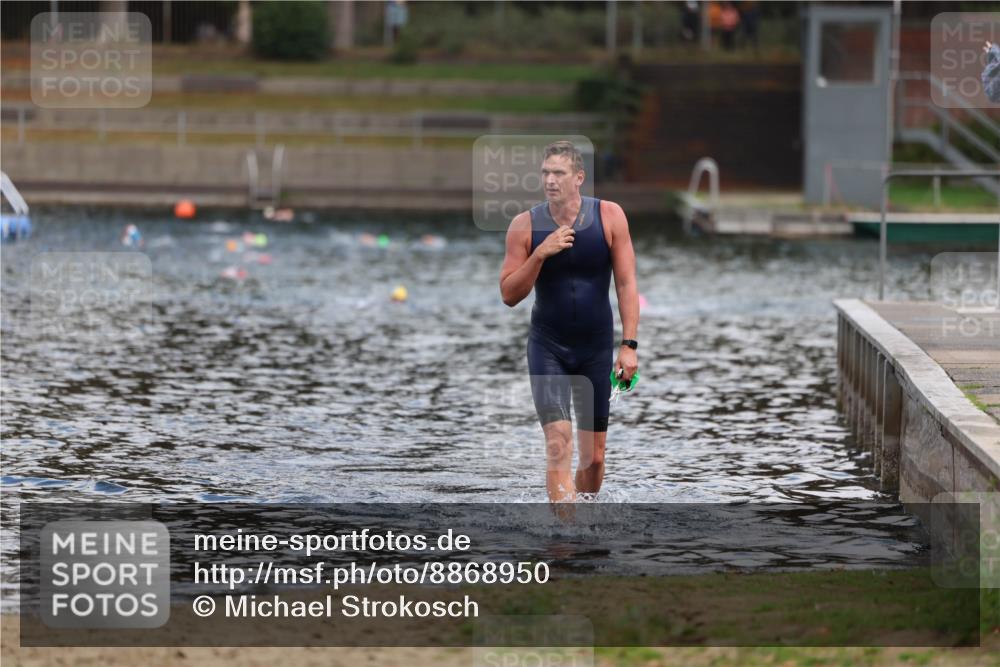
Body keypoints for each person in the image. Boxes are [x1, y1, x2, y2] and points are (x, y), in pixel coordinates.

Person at [499, 141, 640, 503]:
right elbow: (509, 294)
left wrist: (629, 345)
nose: (550, 180)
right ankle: (563, 540)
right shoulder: (524, 225)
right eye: (545, 173)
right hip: (548, 347)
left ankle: (579, 523)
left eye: (558, 173)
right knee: (559, 442)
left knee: (594, 459)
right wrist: (540, 255)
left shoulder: (610, 216)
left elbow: (626, 284)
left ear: (579, 177)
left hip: (595, 349)